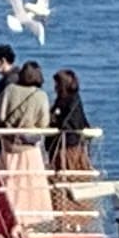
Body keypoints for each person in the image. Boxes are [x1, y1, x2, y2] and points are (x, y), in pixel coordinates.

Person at [0, 60, 53, 225]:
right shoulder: (40, 95)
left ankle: (9, 216)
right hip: (29, 146)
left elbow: (0, 115)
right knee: (31, 184)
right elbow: (44, 123)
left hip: (9, 143)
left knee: (10, 181)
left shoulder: (9, 90)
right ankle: (30, 220)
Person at [47, 68, 92, 220]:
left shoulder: (68, 101)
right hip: (72, 146)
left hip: (67, 147)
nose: (54, 88)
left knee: (65, 180)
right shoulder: (73, 100)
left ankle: (70, 218)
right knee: (70, 181)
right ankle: (72, 218)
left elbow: (65, 122)